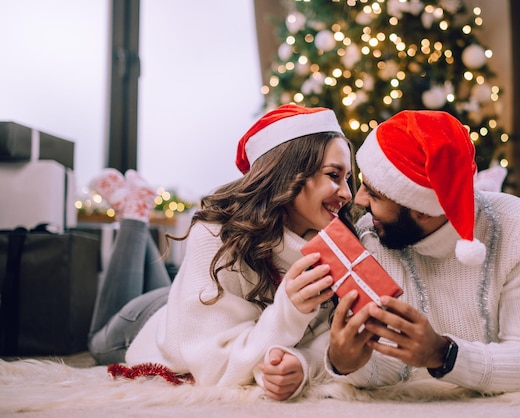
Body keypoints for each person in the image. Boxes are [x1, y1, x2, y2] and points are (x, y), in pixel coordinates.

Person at [87, 104, 355, 401]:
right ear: (290, 172)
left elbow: (331, 341)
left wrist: (303, 364)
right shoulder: (218, 234)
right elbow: (214, 370)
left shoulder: (336, 246)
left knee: (173, 289)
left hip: (195, 302)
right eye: (334, 175)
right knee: (97, 340)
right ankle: (135, 217)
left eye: (347, 179)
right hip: (155, 324)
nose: (347, 193)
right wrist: (289, 312)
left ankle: (133, 205)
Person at [326, 110, 520, 394]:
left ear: (423, 211)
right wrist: (345, 363)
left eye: (375, 194)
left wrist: (443, 354)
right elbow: (387, 369)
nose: (358, 198)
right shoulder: (371, 234)